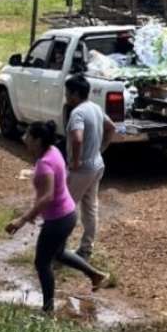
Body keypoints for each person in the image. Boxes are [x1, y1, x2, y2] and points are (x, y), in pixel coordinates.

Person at [5, 121, 109, 313]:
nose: (23, 138)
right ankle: (95, 275)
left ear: (37, 140)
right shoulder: (53, 151)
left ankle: (48, 310)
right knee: (58, 253)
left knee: (42, 263)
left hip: (58, 220)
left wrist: (22, 220)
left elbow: (47, 196)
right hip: (67, 214)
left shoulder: (44, 163)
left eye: (27, 136)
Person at [64, 75, 115, 259]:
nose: (66, 97)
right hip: (97, 165)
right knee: (90, 208)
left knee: (65, 207)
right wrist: (100, 149)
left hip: (82, 169)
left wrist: (76, 161)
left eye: (68, 93)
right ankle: (86, 248)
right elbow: (111, 128)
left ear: (76, 94)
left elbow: (77, 138)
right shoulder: (95, 108)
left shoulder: (77, 113)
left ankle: (58, 247)